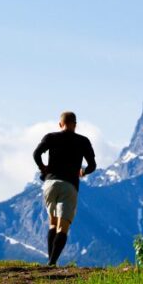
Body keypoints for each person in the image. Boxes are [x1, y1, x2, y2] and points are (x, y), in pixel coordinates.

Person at [33, 111, 96, 266]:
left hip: (50, 184)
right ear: (75, 124)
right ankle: (52, 262)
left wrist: (43, 167)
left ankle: (50, 262)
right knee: (63, 226)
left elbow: (36, 154)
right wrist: (84, 171)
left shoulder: (51, 137)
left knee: (52, 223)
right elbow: (92, 165)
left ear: (60, 124)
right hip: (69, 185)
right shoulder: (83, 141)